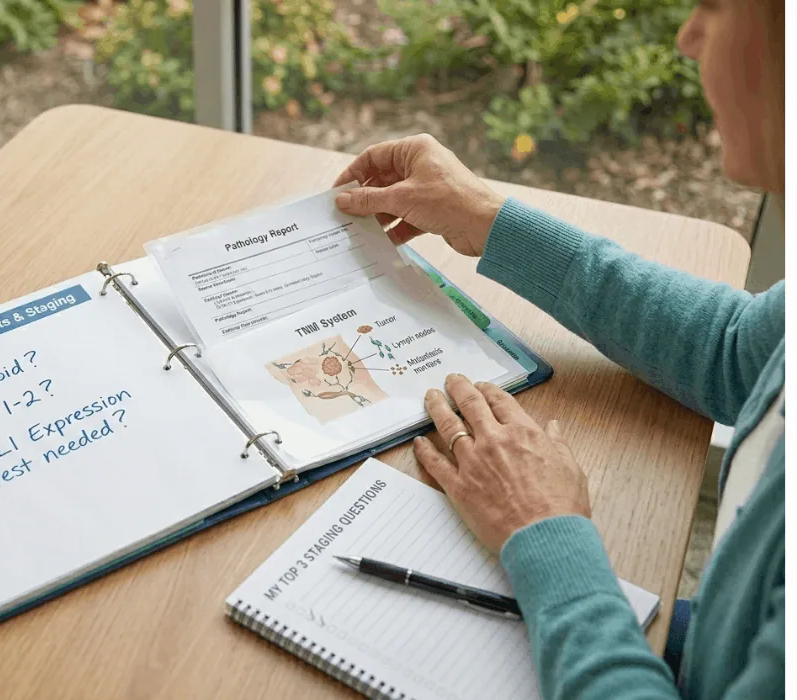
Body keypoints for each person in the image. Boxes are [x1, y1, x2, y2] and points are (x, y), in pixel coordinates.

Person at [332, 0, 784, 697]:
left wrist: (543, 528)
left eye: (718, 7)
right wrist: (484, 219)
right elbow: (736, 351)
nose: (689, 38)